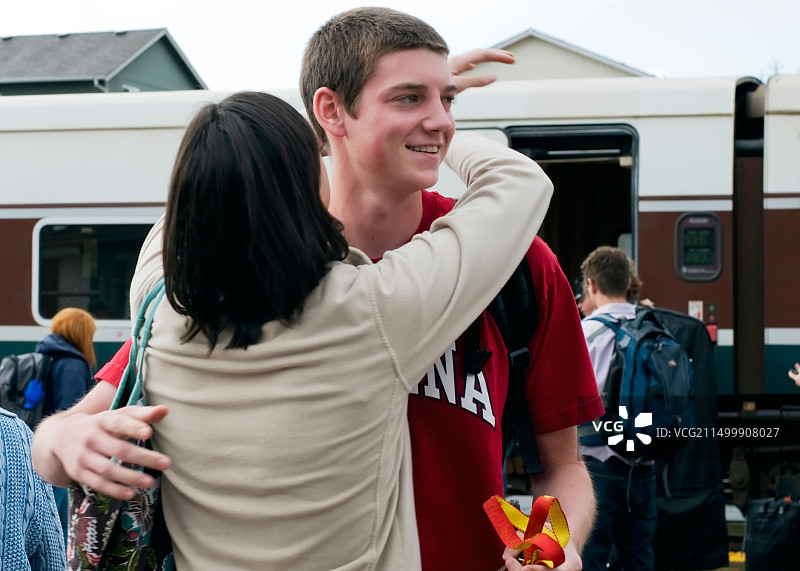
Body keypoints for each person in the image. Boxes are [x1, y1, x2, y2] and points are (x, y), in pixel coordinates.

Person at [33, 90, 553, 569]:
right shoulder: (377, 308)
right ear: (310, 192)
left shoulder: (160, 309)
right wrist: (430, 125)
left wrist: (59, 435)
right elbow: (521, 182)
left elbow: (46, 452)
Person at [300, 8, 602, 571]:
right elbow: (143, 402)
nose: (441, 121)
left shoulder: (518, 264)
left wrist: (551, 546)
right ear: (331, 110)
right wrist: (105, 436)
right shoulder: (270, 263)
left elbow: (563, 466)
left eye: (448, 100)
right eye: (408, 97)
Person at [579, 246, 657, 571]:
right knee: (639, 558)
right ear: (628, 283)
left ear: (591, 285)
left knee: (590, 558)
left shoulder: (586, 332)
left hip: (597, 464)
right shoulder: (652, 328)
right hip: (644, 464)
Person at [35, 307, 96, 538]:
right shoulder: (72, 364)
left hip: (42, 444)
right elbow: (71, 412)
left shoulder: (51, 356)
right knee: (59, 522)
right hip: (59, 451)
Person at [1, 406, 65, 569]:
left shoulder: (15, 432)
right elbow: (52, 558)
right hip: (39, 451)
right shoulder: (16, 432)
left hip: (46, 452)